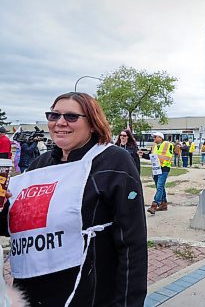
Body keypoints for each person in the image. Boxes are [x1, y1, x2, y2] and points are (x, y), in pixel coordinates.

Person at [0, 92, 147, 306]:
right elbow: (14, 227)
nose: (60, 122)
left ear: (93, 123)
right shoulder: (39, 166)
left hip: (88, 294)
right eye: (54, 116)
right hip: (32, 294)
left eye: (71, 117)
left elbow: (132, 244)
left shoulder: (114, 161)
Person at [144, 132, 173, 214]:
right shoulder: (154, 146)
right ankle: (164, 204)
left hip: (164, 168)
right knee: (160, 186)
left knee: (159, 186)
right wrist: (142, 155)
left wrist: (156, 157)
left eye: (155, 137)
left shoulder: (167, 144)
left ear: (160, 137)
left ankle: (154, 205)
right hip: (156, 169)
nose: (154, 139)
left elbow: (168, 157)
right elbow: (151, 156)